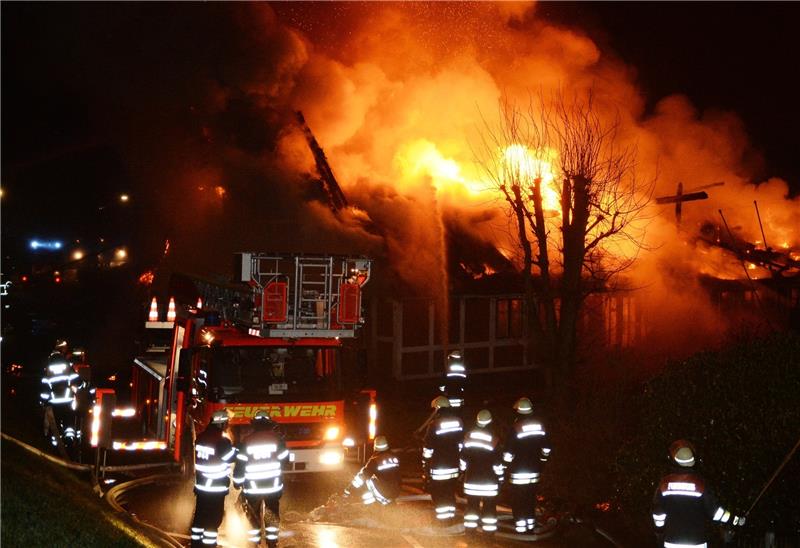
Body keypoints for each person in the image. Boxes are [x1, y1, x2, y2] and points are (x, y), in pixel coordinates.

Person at [652, 440, 744, 548]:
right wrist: (735, 519)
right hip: (697, 543)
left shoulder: (664, 484)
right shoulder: (701, 484)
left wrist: (659, 531)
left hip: (672, 542)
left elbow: (658, 514)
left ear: (673, 460)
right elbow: (716, 513)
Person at [234, 411, 289, 547]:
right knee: (271, 512)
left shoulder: (246, 441)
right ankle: (272, 542)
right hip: (273, 485)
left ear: (254, 425)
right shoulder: (277, 439)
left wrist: (237, 481)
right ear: (269, 424)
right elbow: (285, 460)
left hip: (253, 487)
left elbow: (240, 464)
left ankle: (254, 542)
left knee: (253, 515)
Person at [502, 397, 551, 533]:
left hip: (518, 472)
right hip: (535, 470)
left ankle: (521, 528)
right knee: (530, 499)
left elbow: (508, 453)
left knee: (518, 500)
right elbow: (547, 449)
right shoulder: (540, 425)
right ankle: (530, 526)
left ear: (518, 411)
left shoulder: (516, 428)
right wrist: (542, 462)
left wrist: (505, 467)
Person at [190, 411, 236, 547]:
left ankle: (196, 543)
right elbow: (230, 457)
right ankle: (209, 545)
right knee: (213, 519)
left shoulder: (201, 437)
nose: (227, 425)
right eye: (226, 423)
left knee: (199, 517)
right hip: (216, 487)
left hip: (202, 485)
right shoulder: (222, 441)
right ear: (221, 423)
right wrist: (238, 451)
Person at [460, 409, 504, 535]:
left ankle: (470, 531)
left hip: (471, 482)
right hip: (489, 483)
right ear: (490, 423)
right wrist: (501, 478)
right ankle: (488, 534)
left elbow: (463, 459)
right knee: (489, 508)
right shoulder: (494, 440)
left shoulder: (468, 437)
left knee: (471, 506)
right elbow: (497, 464)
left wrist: (463, 472)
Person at [422, 396, 463, 526]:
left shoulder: (434, 424)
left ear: (437, 409)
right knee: (450, 491)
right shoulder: (458, 422)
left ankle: (442, 521)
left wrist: (425, 462)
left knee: (439, 493)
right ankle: (450, 516)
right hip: (454, 464)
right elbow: (461, 443)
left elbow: (428, 447)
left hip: (439, 466)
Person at [40, 351, 82, 448]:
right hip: (68, 401)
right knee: (69, 420)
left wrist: (43, 402)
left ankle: (55, 445)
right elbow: (78, 382)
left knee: (56, 423)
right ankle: (70, 439)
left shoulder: (48, 372)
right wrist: (83, 384)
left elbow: (44, 391)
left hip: (54, 403)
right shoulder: (67, 369)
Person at [345, 436, 401, 505]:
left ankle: (377, 505)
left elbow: (362, 477)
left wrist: (348, 490)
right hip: (397, 492)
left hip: (385, 493)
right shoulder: (394, 457)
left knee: (369, 479)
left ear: (375, 446)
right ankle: (388, 502)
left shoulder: (375, 460)